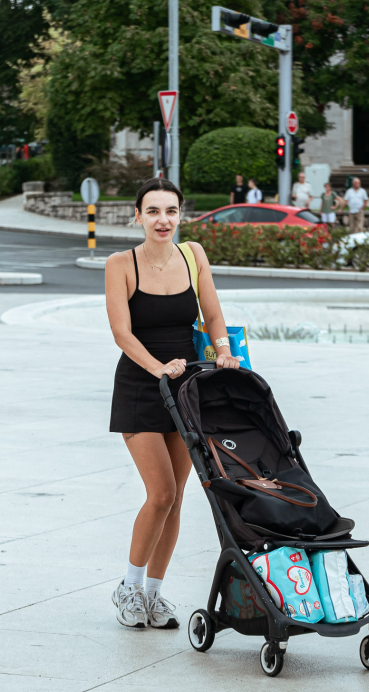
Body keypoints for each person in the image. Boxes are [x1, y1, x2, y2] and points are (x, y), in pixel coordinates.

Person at [105, 177, 240, 629]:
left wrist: (222, 349)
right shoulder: (121, 264)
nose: (163, 220)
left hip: (186, 388)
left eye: (171, 211)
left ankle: (154, 595)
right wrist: (157, 366)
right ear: (137, 216)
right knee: (160, 492)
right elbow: (122, 333)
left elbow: (213, 311)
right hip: (142, 386)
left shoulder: (193, 254)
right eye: (153, 211)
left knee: (178, 498)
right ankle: (129, 587)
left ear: (181, 215)